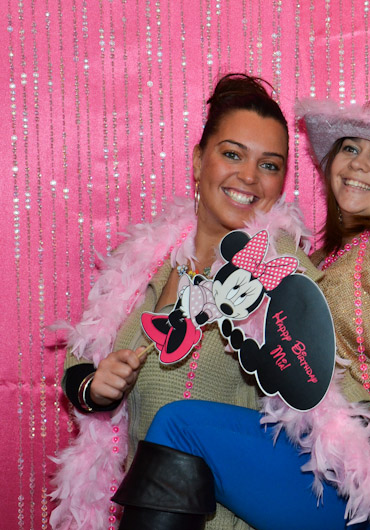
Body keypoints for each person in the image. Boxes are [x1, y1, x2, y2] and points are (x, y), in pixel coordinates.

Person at [110, 98, 370, 530]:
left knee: (181, 427)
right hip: (319, 457)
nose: (359, 164)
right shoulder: (325, 259)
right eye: (351, 148)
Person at [50, 73, 319, 530]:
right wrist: (96, 387)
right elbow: (81, 359)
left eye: (269, 165)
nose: (249, 176)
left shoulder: (285, 273)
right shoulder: (147, 258)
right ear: (198, 161)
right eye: (232, 154)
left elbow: (332, 392)